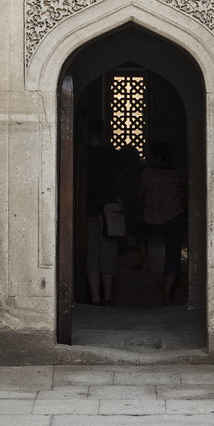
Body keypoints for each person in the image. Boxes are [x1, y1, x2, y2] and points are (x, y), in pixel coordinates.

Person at [135, 141, 187, 306]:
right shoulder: (178, 173)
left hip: (151, 218)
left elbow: (139, 195)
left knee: (138, 228)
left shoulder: (148, 173)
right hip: (174, 218)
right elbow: (184, 193)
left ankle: (144, 263)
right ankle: (167, 296)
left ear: (156, 157)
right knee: (172, 256)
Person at [85, 118, 121, 306]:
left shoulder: (83, 156)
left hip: (88, 209)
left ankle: (95, 297)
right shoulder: (112, 156)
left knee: (92, 255)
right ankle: (107, 296)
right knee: (108, 253)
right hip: (110, 210)